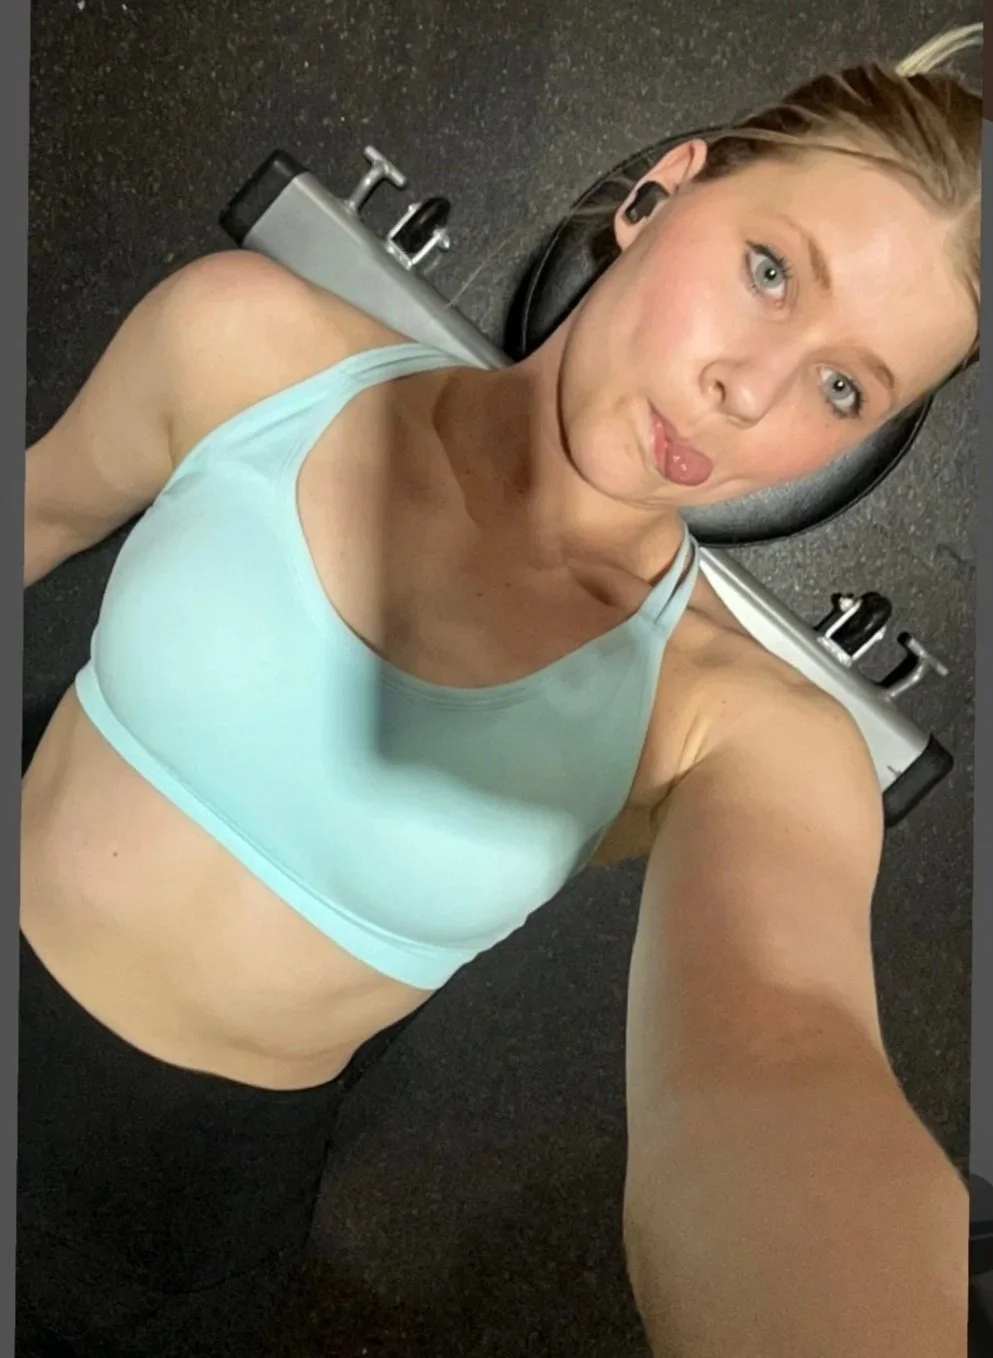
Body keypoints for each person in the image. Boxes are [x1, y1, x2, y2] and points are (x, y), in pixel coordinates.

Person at [18, 22, 981, 1358]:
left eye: (840, 384)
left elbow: (784, 1059)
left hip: (180, 1213)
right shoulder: (245, 342)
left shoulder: (734, 731)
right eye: (769, 269)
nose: (748, 391)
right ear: (665, 192)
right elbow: (38, 513)